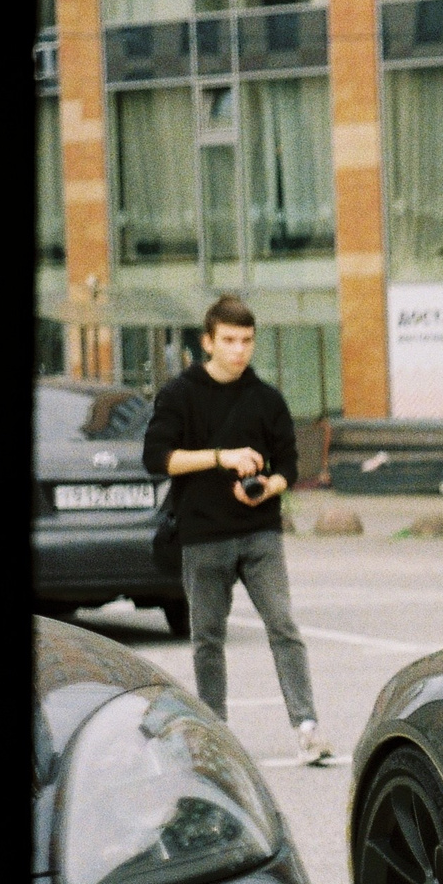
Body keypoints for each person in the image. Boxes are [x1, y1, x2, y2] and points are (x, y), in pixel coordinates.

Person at [141, 295, 334, 765]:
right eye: (228, 340)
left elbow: (291, 463)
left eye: (246, 340)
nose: (238, 350)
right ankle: (215, 732)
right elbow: (156, 459)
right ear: (207, 342)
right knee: (207, 637)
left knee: (284, 627)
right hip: (203, 534)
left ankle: (307, 729)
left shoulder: (266, 399)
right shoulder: (180, 395)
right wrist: (221, 456)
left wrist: (271, 487)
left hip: (259, 532)